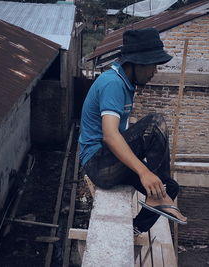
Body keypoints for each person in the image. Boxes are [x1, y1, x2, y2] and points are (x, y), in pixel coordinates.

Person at [78, 28, 187, 234]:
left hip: (110, 162)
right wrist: (144, 172)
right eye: (153, 65)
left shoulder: (126, 84)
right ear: (137, 62)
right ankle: (158, 194)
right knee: (155, 123)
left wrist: (149, 175)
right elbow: (110, 135)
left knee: (170, 187)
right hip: (98, 164)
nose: (155, 71)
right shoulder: (113, 83)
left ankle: (136, 228)